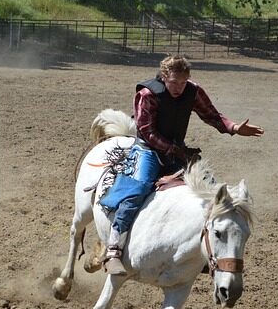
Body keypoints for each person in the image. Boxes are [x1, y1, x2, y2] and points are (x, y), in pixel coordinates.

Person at [100, 55, 264, 275]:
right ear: (164, 77)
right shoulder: (147, 94)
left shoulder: (193, 91)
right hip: (148, 151)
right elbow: (147, 131)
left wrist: (233, 127)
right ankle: (113, 249)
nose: (178, 88)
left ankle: (208, 250)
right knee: (137, 190)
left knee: (212, 192)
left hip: (177, 150)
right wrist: (175, 150)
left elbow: (212, 115)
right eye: (174, 82)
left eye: (183, 82)